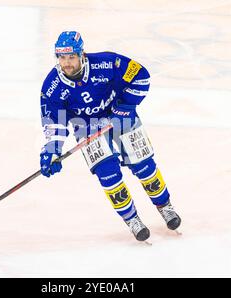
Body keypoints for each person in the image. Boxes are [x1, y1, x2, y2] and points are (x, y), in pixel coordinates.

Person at [39, 31, 181, 241]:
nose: (66, 63)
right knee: (108, 175)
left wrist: (126, 106)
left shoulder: (107, 63)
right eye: (61, 57)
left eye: (71, 57)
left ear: (82, 55)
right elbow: (54, 121)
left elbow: (141, 76)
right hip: (85, 125)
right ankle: (132, 219)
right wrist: (51, 150)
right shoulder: (52, 87)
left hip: (118, 112)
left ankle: (165, 206)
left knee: (143, 165)